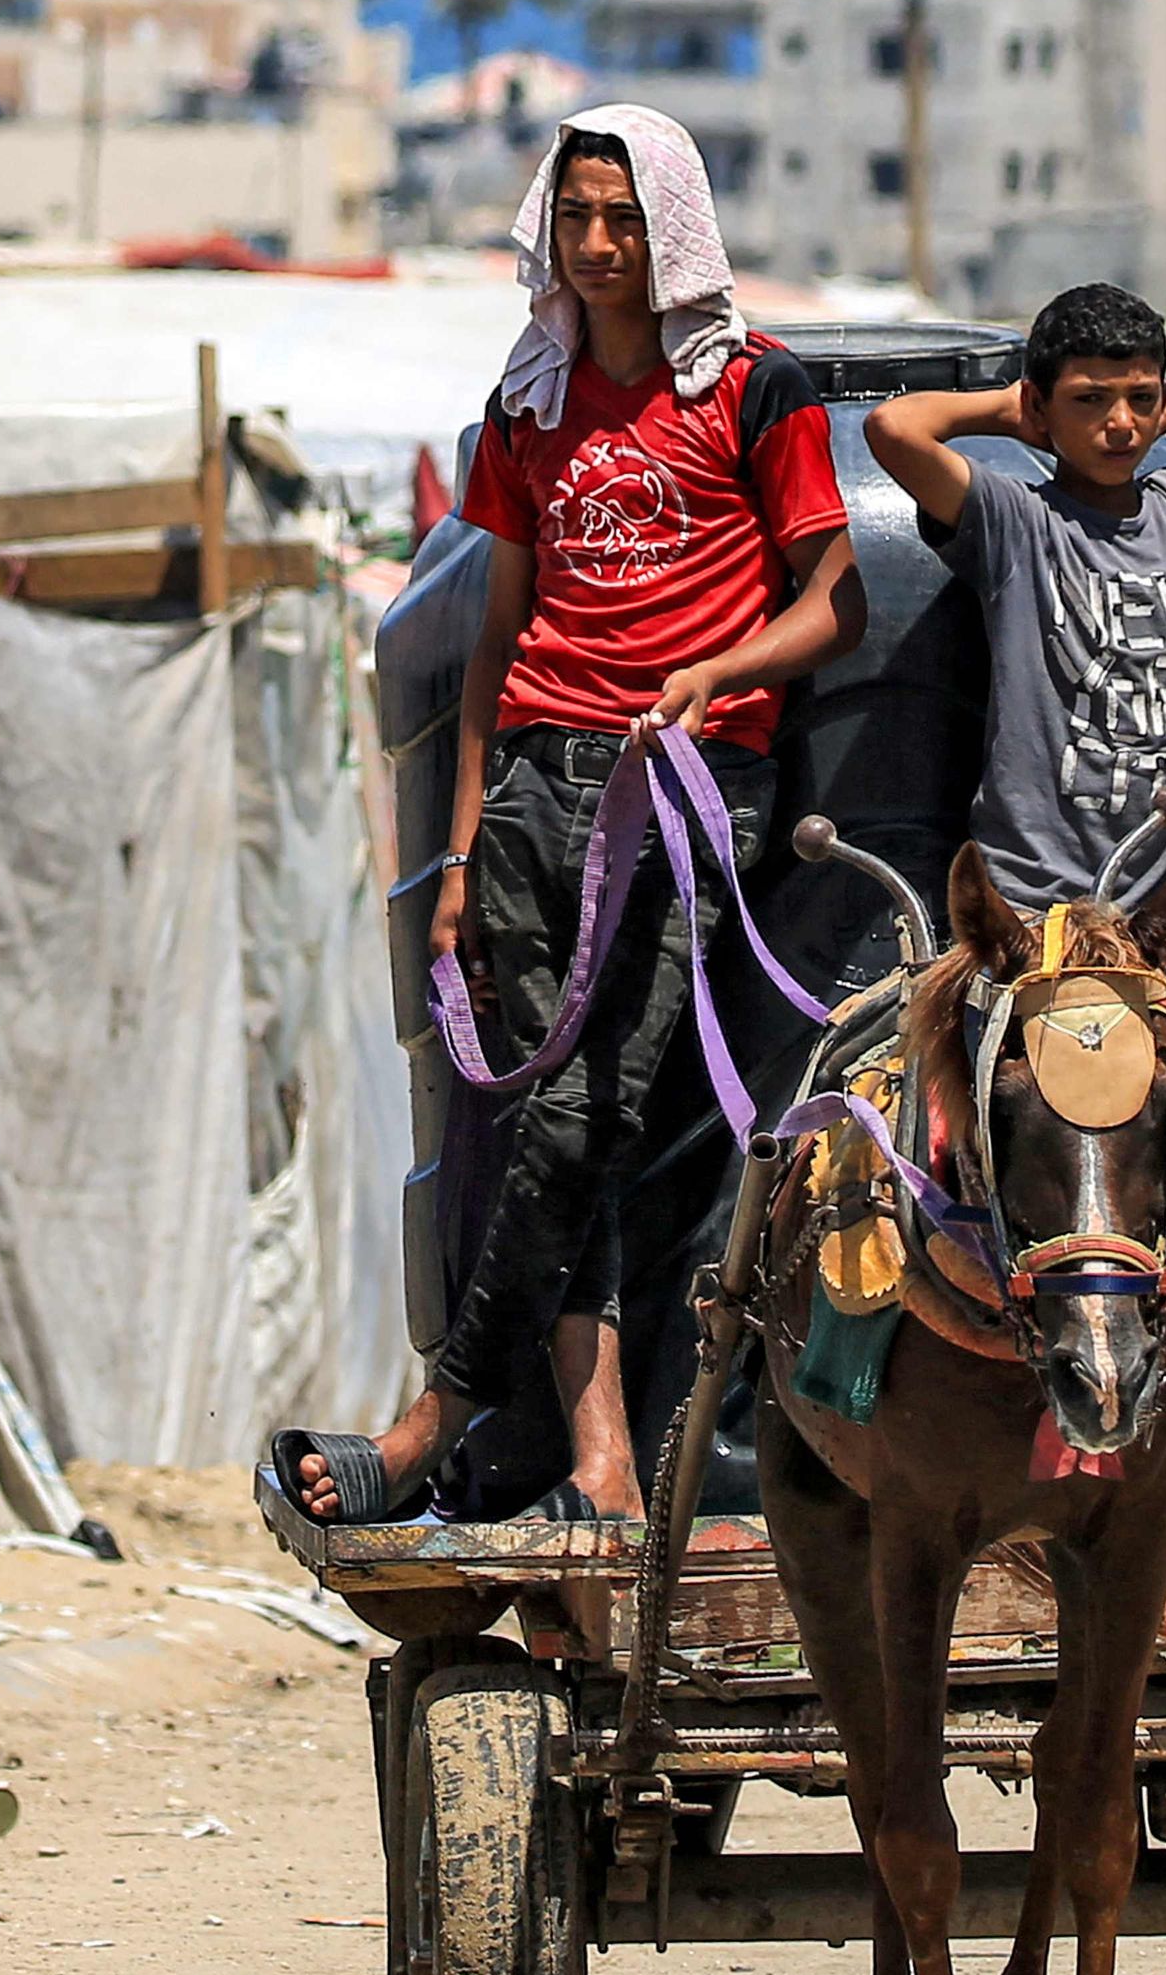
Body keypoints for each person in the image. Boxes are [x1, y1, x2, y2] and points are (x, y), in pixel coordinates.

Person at [285, 107, 866, 1525]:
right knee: (549, 1121)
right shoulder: (528, 399)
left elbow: (834, 598)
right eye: (576, 220)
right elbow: (496, 621)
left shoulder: (756, 389)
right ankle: (598, 1451)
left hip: (686, 780)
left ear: (674, 227)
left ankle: (440, 1410)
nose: (600, 247)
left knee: (588, 1105)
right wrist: (464, 842)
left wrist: (722, 668)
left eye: (626, 220)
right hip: (543, 776)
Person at [861, 282, 1166, 920]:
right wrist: (1017, 414)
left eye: (1140, 399)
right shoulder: (1018, 522)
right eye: (1090, 401)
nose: (1120, 423)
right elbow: (894, 427)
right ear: (1041, 407)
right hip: (1040, 906)